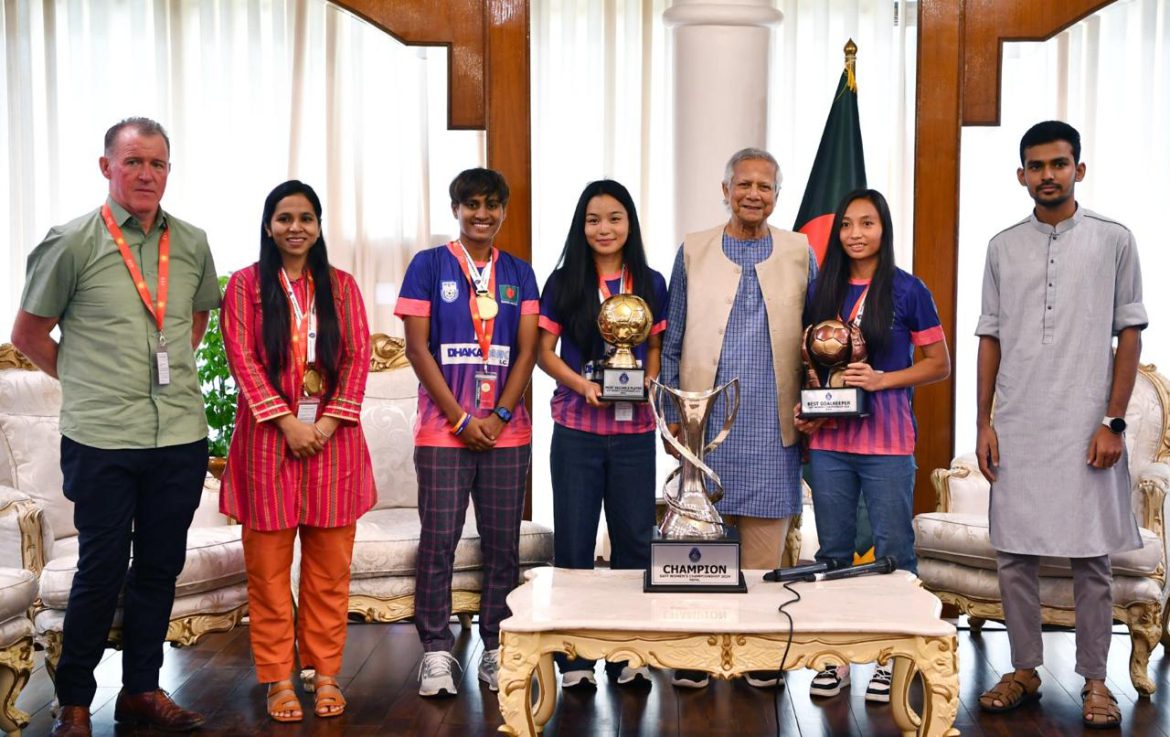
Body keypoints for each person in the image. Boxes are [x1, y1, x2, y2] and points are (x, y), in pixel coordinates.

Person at [11, 117, 218, 737]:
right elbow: (28, 334)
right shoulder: (71, 241)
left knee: (159, 567)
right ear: (107, 167)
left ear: (169, 170)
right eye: (133, 162)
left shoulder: (192, 242)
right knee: (100, 569)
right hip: (101, 438)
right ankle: (75, 701)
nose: (145, 174)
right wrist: (85, 379)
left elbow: (195, 321)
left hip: (178, 434)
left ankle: (141, 691)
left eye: (157, 163)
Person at [974, 120, 1145, 730]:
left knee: (1091, 558)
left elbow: (1129, 335)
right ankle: (1024, 669)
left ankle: (1096, 680)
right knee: (1013, 554)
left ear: (1079, 169)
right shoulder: (1001, 246)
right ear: (1021, 174)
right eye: (1037, 166)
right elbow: (989, 337)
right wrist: (983, 422)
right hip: (1018, 423)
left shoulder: (1114, 240)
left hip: (1085, 424)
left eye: (1059, 163)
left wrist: (1113, 422)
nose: (1048, 175)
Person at [219, 180, 375, 722]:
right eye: (284, 218)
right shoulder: (244, 286)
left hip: (334, 445)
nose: (295, 227)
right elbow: (242, 359)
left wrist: (325, 424)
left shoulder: (342, 286)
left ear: (318, 225)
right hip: (267, 444)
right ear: (268, 226)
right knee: (266, 575)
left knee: (329, 572)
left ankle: (326, 673)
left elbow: (358, 358)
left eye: (306, 218)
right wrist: (287, 423)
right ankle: (277, 679)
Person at [660, 147, 816, 690]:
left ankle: (758, 651)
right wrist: (671, 416)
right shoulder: (693, 249)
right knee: (700, 542)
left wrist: (819, 403)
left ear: (777, 196)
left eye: (765, 187)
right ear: (725, 190)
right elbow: (672, 337)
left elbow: (819, 340)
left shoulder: (800, 251)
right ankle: (697, 651)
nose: (754, 194)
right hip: (702, 427)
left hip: (773, 425)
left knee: (763, 551)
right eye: (744, 184)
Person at [794, 189, 950, 702]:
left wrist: (882, 379)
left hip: (887, 441)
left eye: (867, 223)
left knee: (894, 551)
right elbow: (809, 362)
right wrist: (806, 408)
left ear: (884, 229)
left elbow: (938, 364)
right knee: (833, 552)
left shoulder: (908, 290)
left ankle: (892, 661)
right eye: (846, 224)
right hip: (830, 441)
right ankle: (835, 657)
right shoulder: (822, 290)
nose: (855, 234)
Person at [395, 168, 539, 697]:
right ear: (455, 208)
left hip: (506, 433)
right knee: (439, 543)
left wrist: (499, 415)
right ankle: (436, 651)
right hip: (443, 431)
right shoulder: (428, 265)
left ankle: (496, 647)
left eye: (491, 205)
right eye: (472, 204)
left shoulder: (519, 273)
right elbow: (417, 350)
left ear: (503, 210)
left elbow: (527, 351)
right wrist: (460, 418)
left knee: (503, 546)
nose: (482, 214)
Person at [537, 179, 669, 689]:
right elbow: (544, 352)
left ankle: (627, 651)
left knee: (634, 540)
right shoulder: (564, 282)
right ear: (581, 226)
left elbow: (654, 348)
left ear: (629, 223)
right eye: (593, 220)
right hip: (577, 427)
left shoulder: (651, 282)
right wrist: (582, 385)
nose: (604, 228)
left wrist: (648, 382)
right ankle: (574, 658)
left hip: (635, 431)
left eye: (615, 218)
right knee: (574, 539)